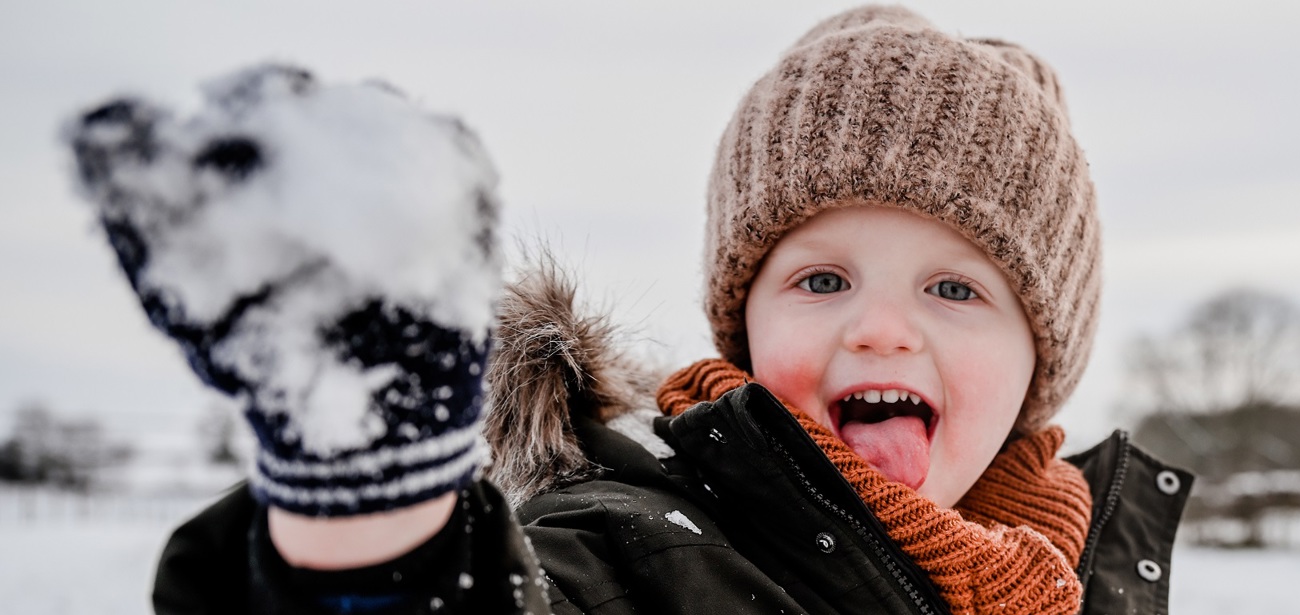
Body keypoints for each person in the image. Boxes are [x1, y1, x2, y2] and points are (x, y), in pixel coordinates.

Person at [71, 6, 1190, 615]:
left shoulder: (1085, 578)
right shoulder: (637, 554)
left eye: (955, 290)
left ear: (1041, 363)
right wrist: (368, 499)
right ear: (741, 324)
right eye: (820, 279)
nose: (880, 329)